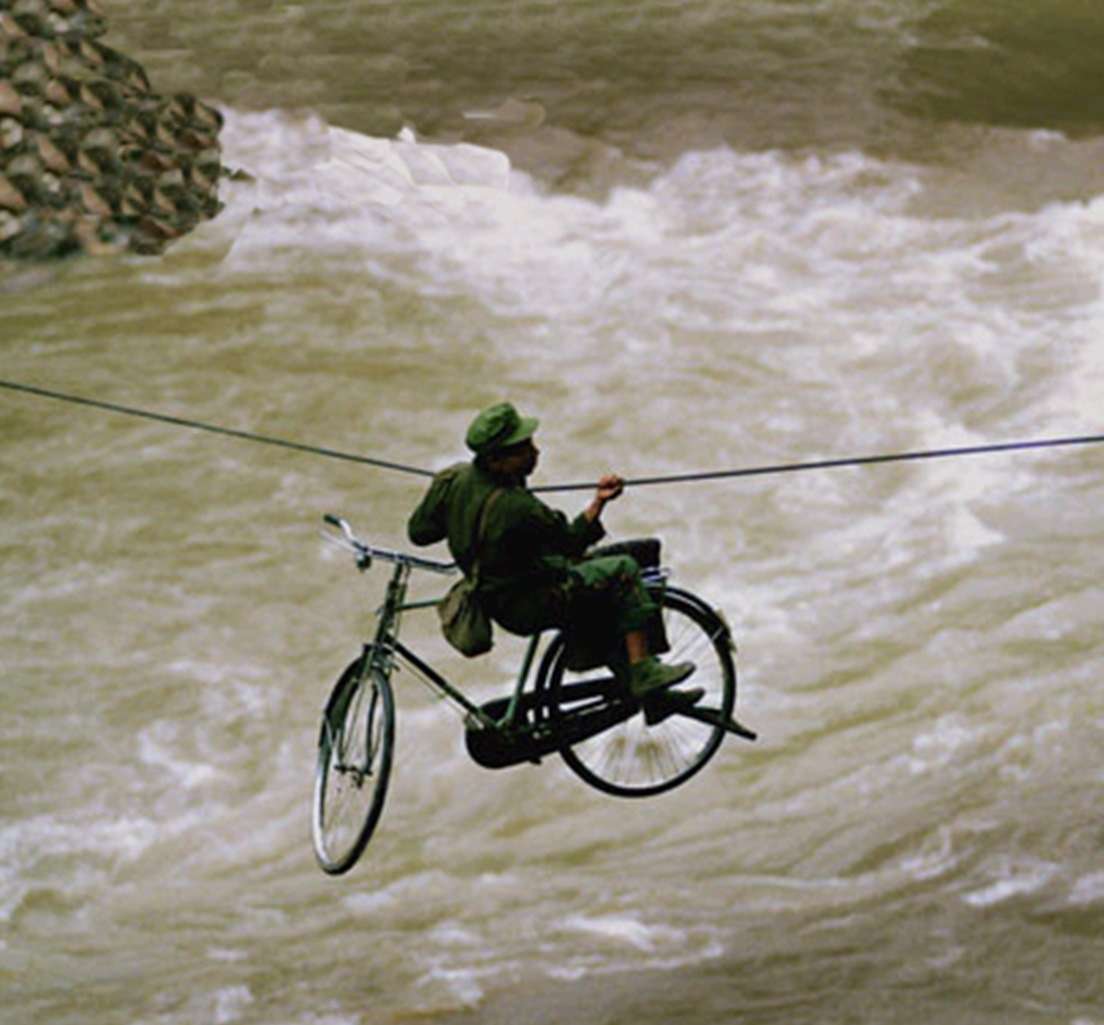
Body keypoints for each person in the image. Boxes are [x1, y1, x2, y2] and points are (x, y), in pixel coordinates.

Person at [407, 401, 702, 722]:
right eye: (523, 449)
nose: (536, 452)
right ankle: (644, 673)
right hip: (529, 602)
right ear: (497, 460)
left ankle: (650, 692)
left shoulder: (453, 479)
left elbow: (420, 532)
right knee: (625, 569)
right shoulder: (517, 506)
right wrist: (599, 502)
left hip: (497, 593)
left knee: (617, 569)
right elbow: (571, 541)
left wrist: (462, 516)